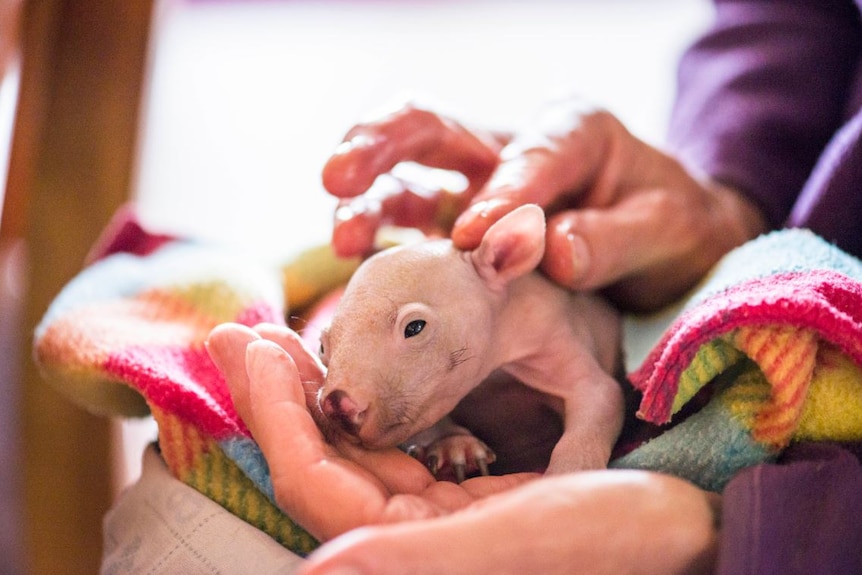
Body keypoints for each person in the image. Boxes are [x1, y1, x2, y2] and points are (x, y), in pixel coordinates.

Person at [208, 0, 862, 573]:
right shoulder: (451, 316)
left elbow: (594, 394)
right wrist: (733, 190)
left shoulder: (525, 303)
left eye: (414, 327)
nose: (338, 396)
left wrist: (579, 476)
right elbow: (788, 14)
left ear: (506, 257)